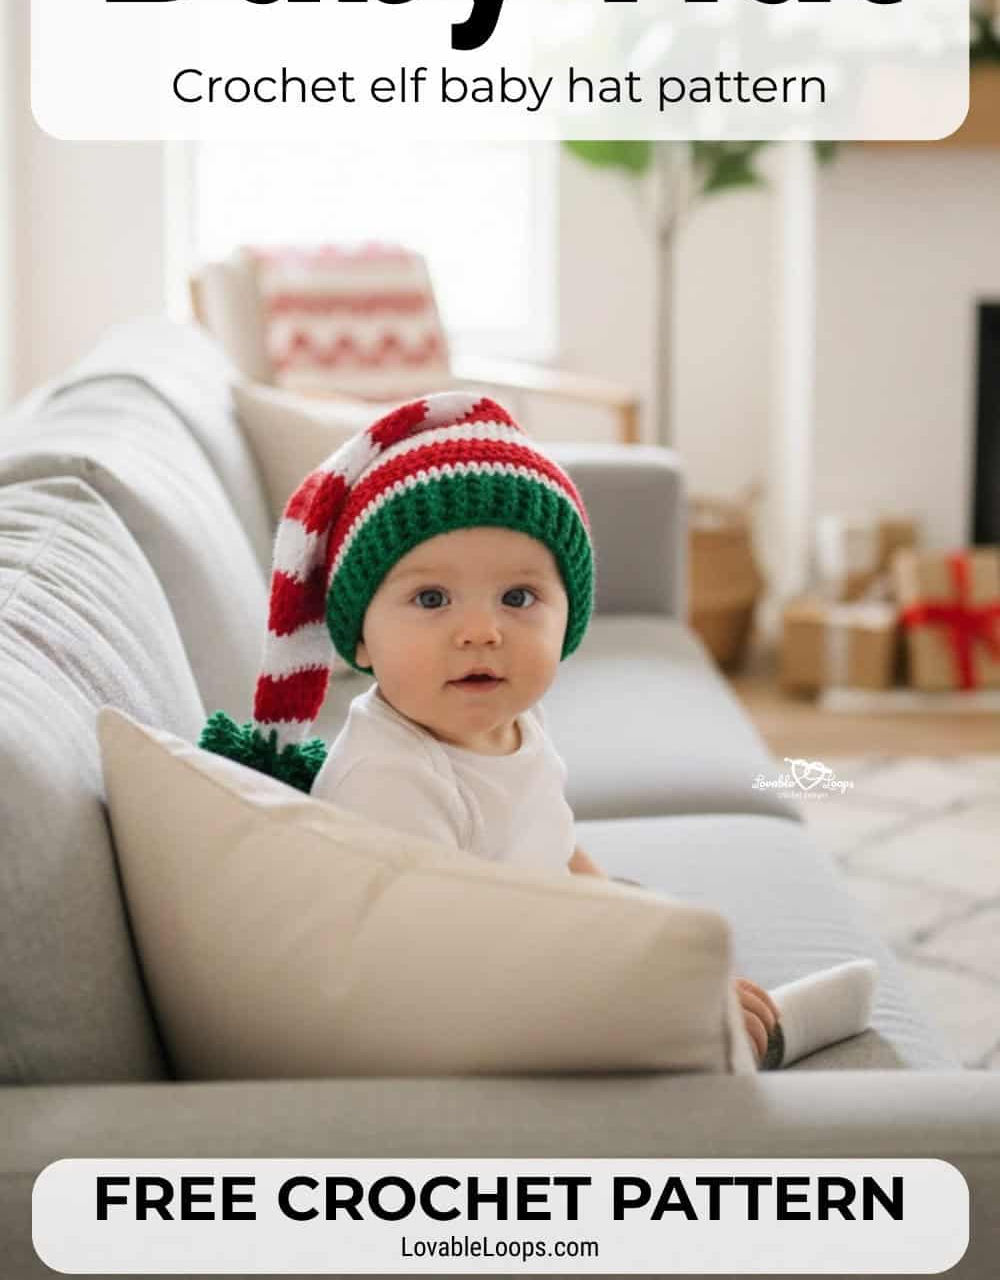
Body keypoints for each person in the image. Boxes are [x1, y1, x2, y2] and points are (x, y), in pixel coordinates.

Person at [201, 391, 875, 1070]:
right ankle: (725, 1048)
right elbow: (443, 967)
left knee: (651, 915)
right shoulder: (389, 777)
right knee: (658, 988)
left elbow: (554, 841)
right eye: (430, 599)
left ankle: (727, 1018)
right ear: (362, 639)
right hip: (452, 1006)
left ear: (568, 619)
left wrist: (617, 912)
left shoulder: (514, 721)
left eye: (519, 598)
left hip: (519, 944)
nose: (482, 631)